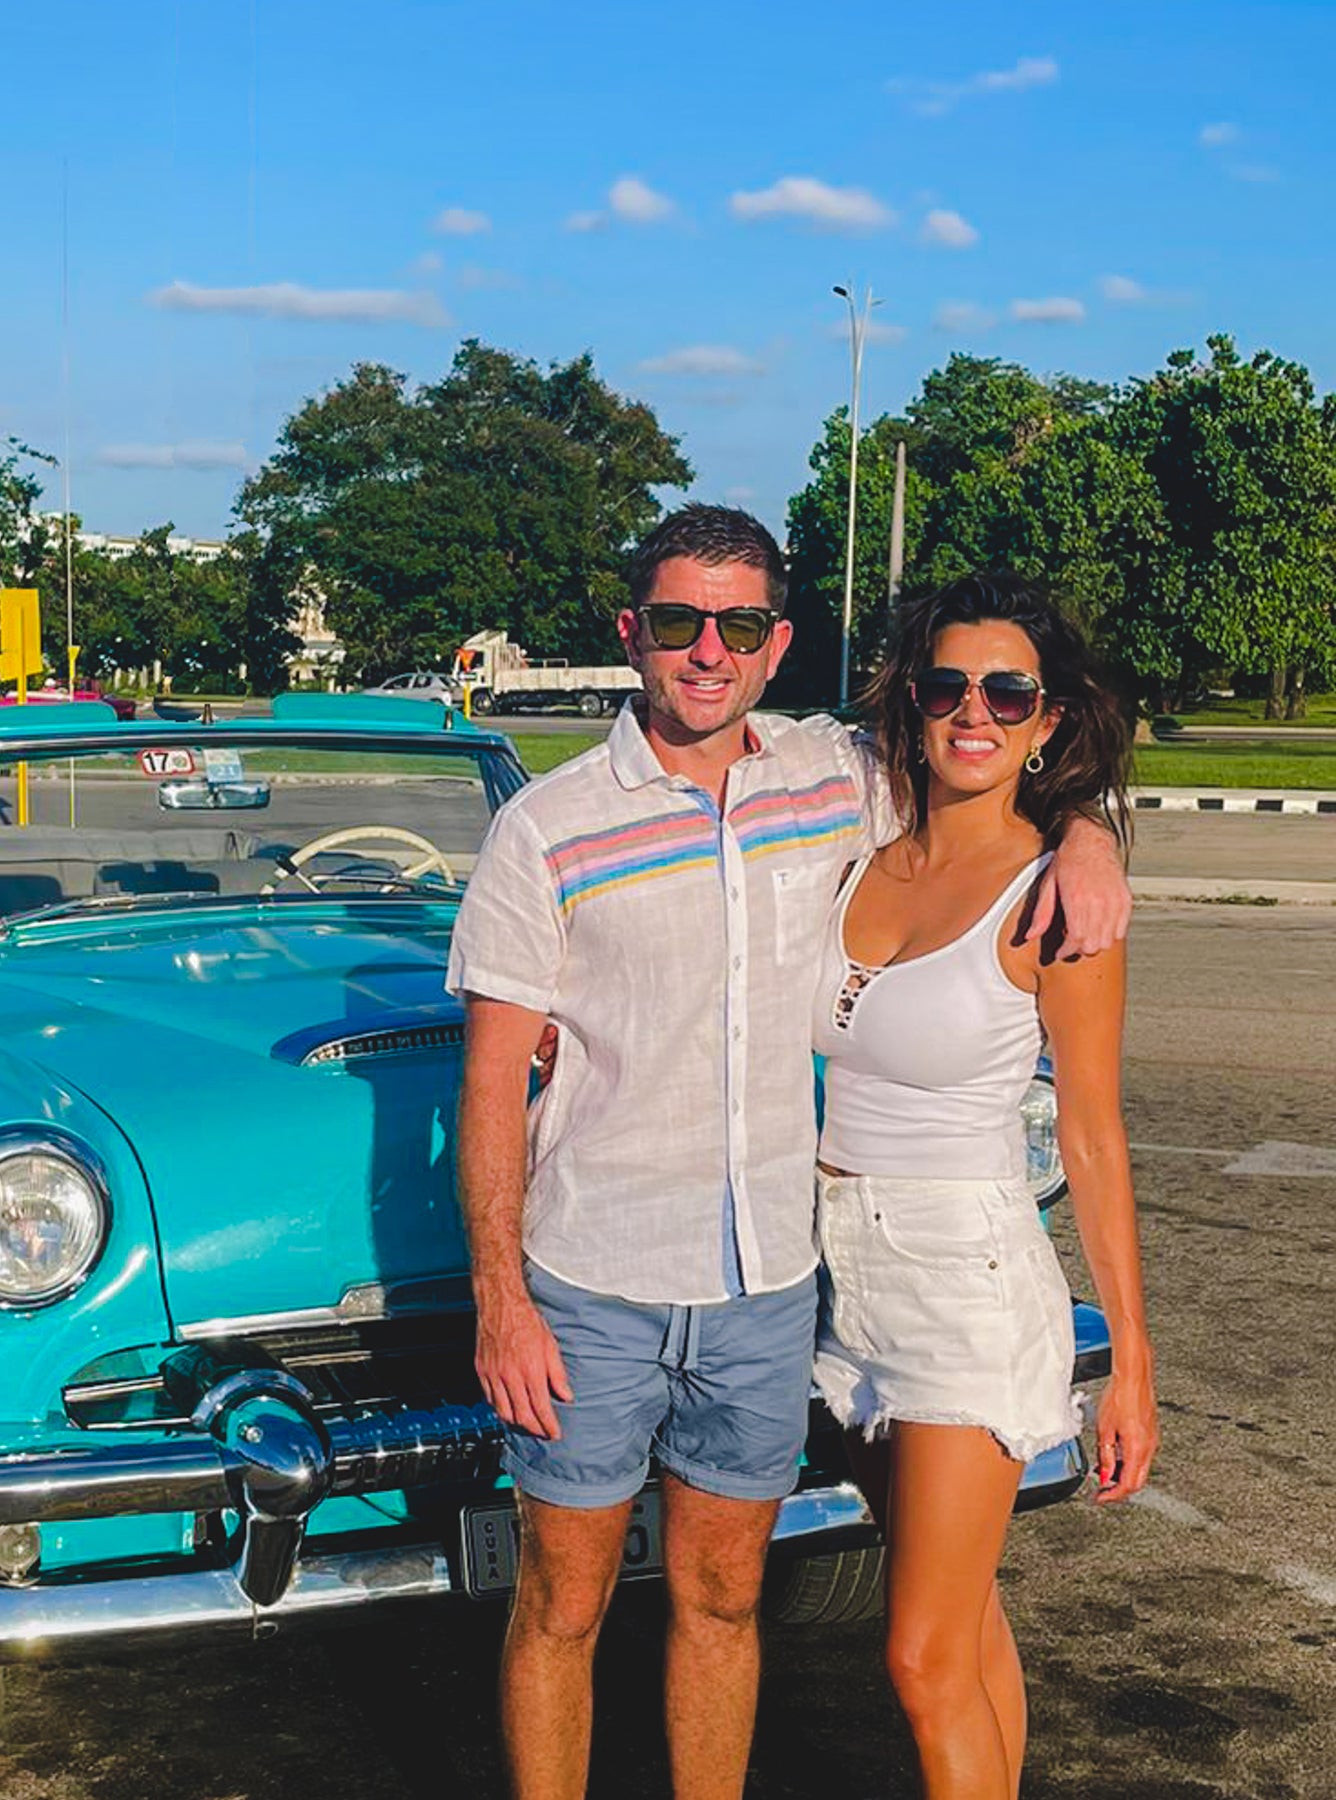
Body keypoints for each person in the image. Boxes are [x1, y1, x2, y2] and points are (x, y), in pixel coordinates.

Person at [447, 505, 1129, 1800]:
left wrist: (1090, 830)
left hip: (767, 1288)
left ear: (777, 641)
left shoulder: (836, 778)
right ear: (632, 633)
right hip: (592, 1279)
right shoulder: (545, 827)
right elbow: (489, 1082)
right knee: (562, 1605)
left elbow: (993, 757)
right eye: (679, 621)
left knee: (723, 1600)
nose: (708, 651)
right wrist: (501, 1301)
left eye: (739, 624)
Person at [810, 572, 1158, 1799]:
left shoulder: (1056, 900)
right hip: (838, 1276)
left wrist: (1130, 1360)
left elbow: (1093, 1137)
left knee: (918, 1657)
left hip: (966, 1279)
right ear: (908, 702)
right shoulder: (856, 853)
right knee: (961, 1626)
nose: (975, 712)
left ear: (1047, 720)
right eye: (947, 686)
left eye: (1008, 693)